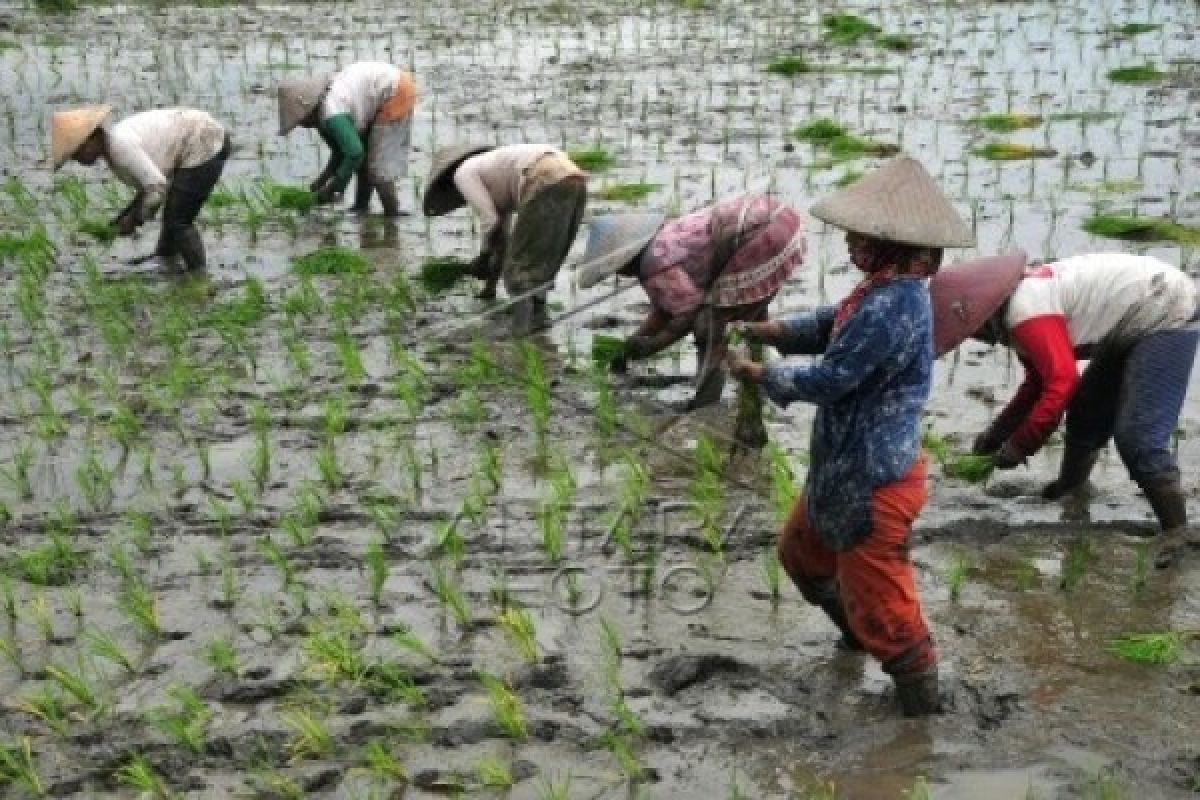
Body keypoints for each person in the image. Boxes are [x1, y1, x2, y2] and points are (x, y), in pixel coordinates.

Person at [726, 157, 975, 716]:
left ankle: (921, 722)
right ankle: (855, 635)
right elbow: (829, 322)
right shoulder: (876, 292)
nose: (851, 246)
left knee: (887, 610)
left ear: (896, 246)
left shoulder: (893, 305)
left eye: (862, 238)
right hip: (841, 471)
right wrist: (775, 331)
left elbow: (833, 379)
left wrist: (762, 373)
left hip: (874, 483)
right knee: (800, 557)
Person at [940, 253, 1198, 568]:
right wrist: (996, 436)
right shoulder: (1022, 307)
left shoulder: (1026, 312)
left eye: (974, 328)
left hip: (1165, 308)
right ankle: (1071, 489)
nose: (978, 337)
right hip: (1134, 313)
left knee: (1137, 437)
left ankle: (1179, 531)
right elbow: (1037, 383)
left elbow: (1061, 381)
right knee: (1087, 410)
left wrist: (1021, 445)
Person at [573, 192, 806, 441]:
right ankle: (758, 378)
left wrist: (652, 345)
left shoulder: (655, 264)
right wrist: (632, 343)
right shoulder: (664, 239)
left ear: (625, 259)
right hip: (779, 219)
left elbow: (686, 313)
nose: (619, 273)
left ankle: (707, 401)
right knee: (751, 312)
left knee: (709, 325)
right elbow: (664, 310)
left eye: (616, 268)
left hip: (759, 236)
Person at [423, 144, 588, 335]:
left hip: (542, 177)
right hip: (572, 177)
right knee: (544, 258)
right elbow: (501, 240)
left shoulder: (463, 173)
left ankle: (520, 330)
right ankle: (539, 322)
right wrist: (490, 287)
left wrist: (483, 258)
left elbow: (489, 221)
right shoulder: (494, 170)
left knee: (518, 270)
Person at [51, 105, 230, 272]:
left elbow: (157, 189)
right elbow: (149, 186)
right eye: (72, 156)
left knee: (179, 221)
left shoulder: (121, 147)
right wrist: (121, 219)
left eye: (77, 152)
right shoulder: (115, 148)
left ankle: (198, 276)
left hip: (204, 142)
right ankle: (166, 257)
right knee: (174, 214)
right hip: (197, 137)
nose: (76, 159)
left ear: (93, 137)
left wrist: (135, 219)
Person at [278, 62, 417, 216]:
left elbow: (355, 153)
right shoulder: (323, 120)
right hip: (377, 92)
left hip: (395, 90)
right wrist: (321, 181)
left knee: (378, 168)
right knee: (364, 162)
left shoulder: (332, 114)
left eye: (301, 120)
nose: (302, 125)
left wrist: (335, 187)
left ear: (309, 110)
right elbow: (339, 153)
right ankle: (361, 208)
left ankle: (392, 216)